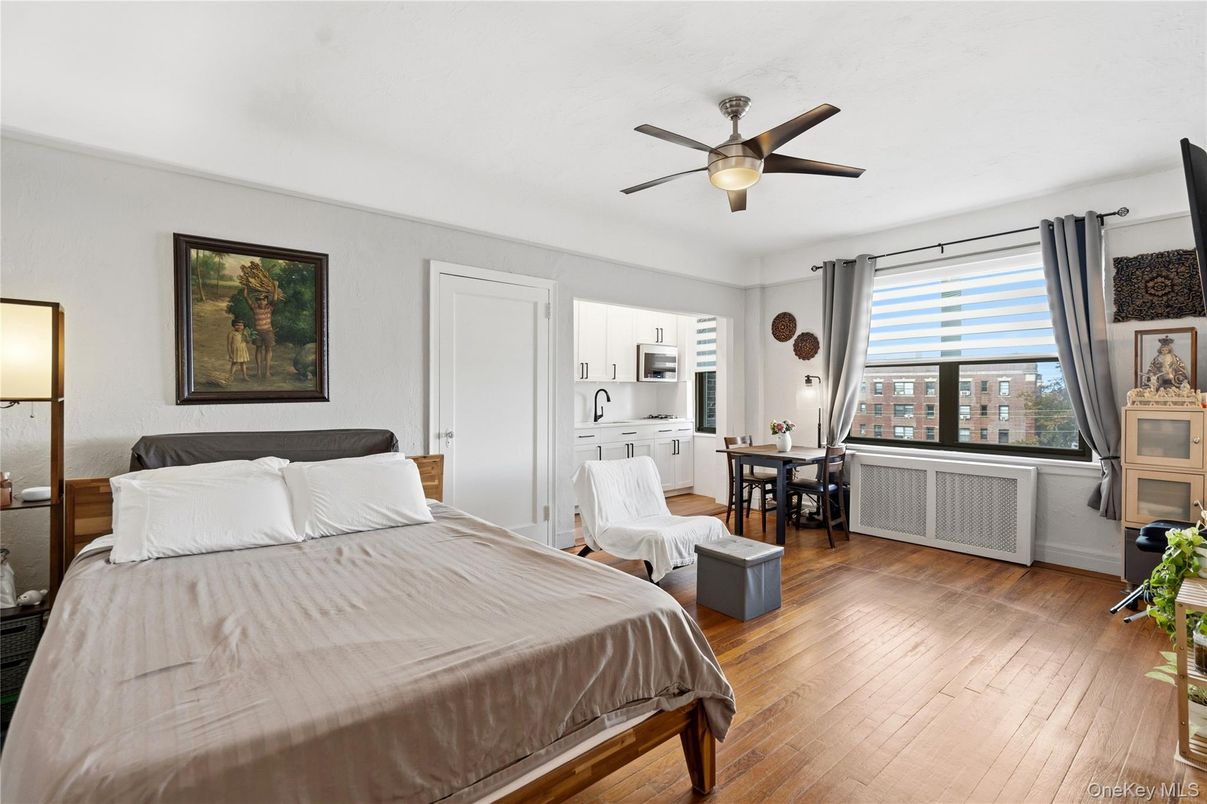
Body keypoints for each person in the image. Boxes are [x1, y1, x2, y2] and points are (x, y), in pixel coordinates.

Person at [244, 287, 277, 378]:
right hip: (257, 332)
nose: (261, 302)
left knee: (268, 350)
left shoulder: (269, 308)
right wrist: (246, 294)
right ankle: (258, 372)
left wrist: (275, 286)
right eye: (259, 300)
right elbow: (247, 299)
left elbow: (274, 299)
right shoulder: (254, 308)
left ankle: (267, 372)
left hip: (268, 332)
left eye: (263, 300)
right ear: (256, 301)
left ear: (266, 301)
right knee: (258, 349)